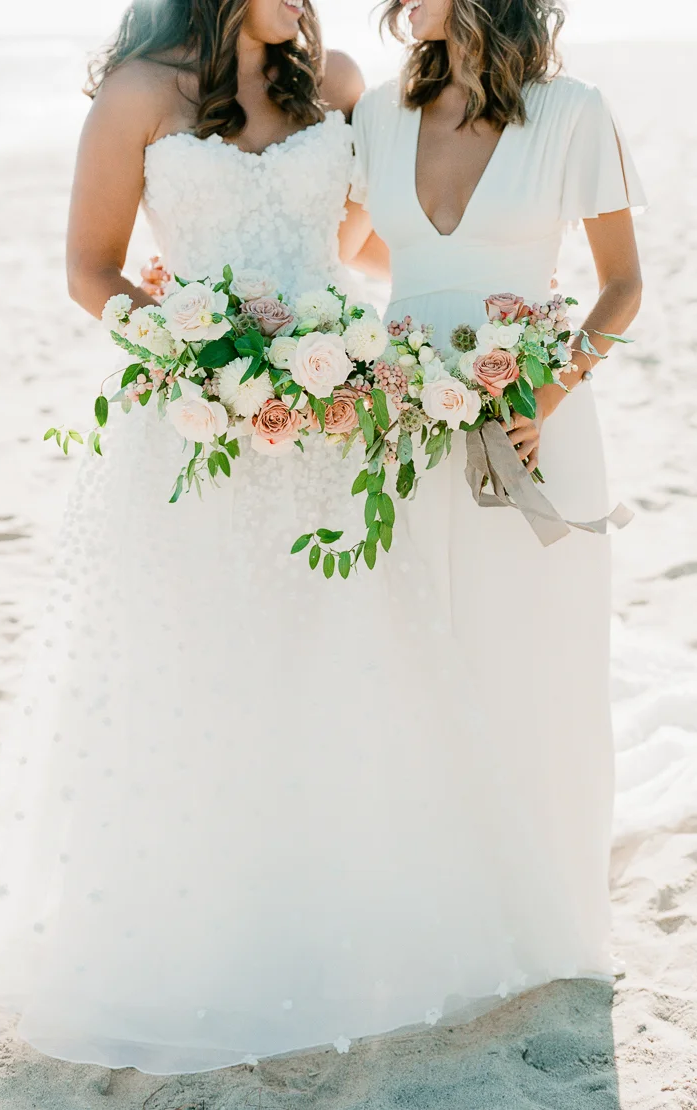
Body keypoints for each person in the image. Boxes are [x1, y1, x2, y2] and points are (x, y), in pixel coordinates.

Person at [0, 0, 530, 1077]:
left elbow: (356, 245)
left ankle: (338, 914)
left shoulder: (338, 80)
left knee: (336, 659)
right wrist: (200, 358)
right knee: (199, 667)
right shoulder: (138, 92)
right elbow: (90, 270)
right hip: (192, 429)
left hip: (327, 421)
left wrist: (340, 338)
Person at [342, 0, 645, 1009]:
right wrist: (427, 317)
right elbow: (363, 251)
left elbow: (621, 288)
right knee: (418, 656)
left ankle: (543, 916)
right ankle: (431, 905)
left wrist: (538, 394)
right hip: (406, 426)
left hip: (534, 426)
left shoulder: (572, 111)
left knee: (533, 663)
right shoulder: (379, 114)